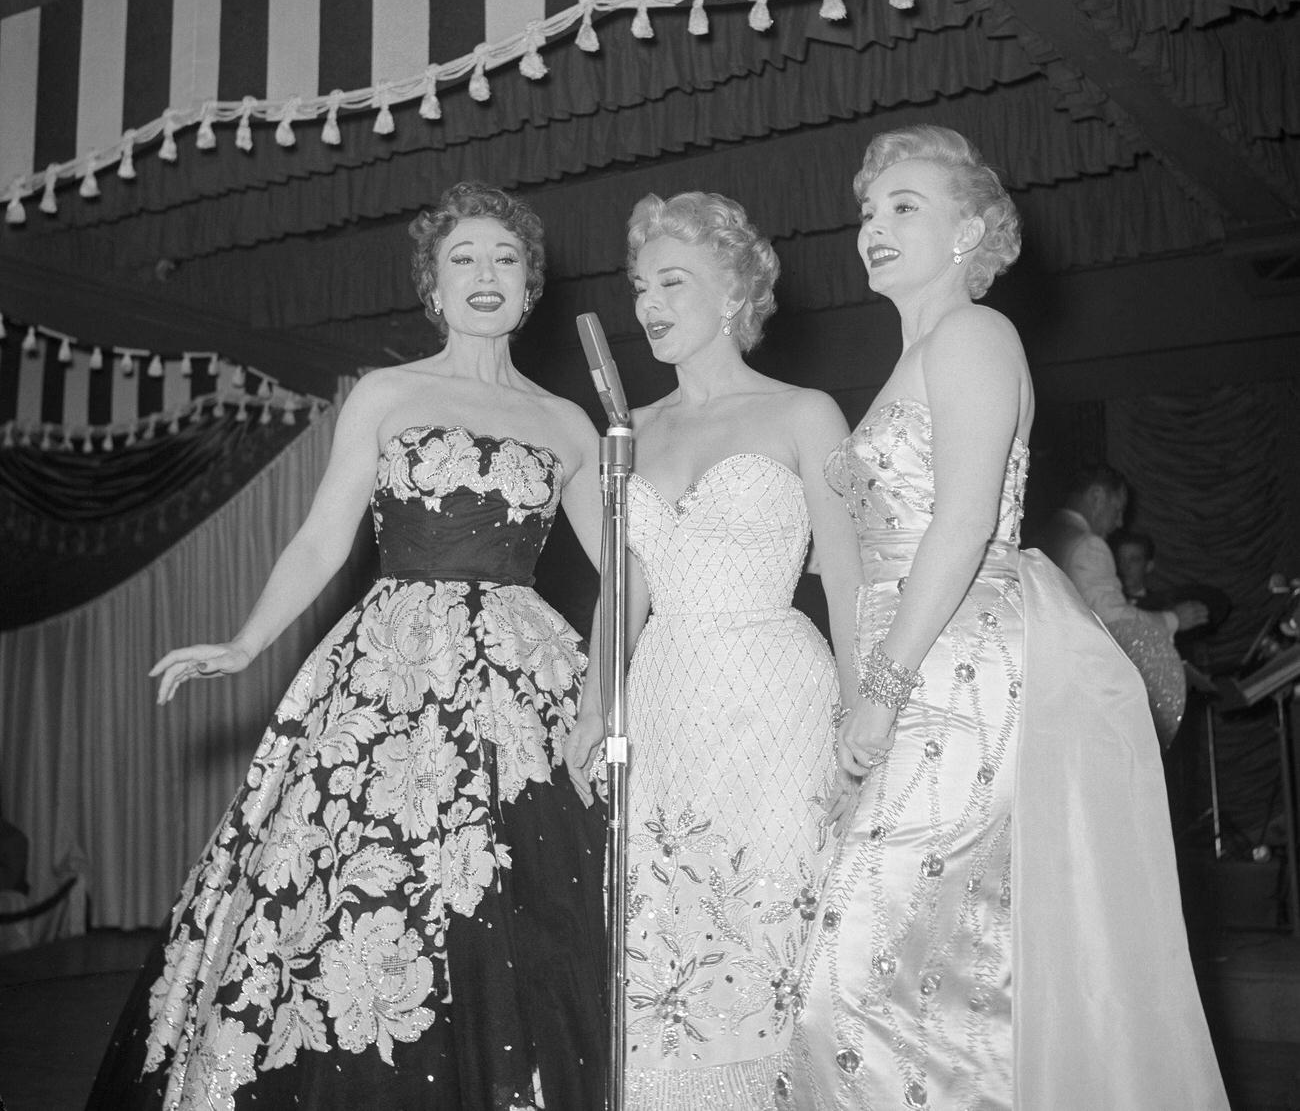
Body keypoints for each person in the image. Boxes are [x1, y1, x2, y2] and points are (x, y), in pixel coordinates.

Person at [88, 182, 608, 1110]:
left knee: (535, 898)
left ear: (531, 288)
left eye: (506, 260)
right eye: (464, 259)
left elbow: (627, 573)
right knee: (355, 897)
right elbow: (324, 538)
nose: (485, 276)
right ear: (433, 287)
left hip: (526, 683)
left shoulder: (572, 424)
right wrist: (246, 644)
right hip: (389, 666)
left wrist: (626, 680)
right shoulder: (388, 392)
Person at [785, 127, 1226, 1109]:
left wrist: (884, 690)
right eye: (867, 210)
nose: (874, 227)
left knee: (851, 982)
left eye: (905, 205)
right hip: (910, 663)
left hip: (954, 669)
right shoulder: (915, 358)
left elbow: (962, 525)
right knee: (928, 978)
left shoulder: (975, 334)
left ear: (970, 229)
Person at [563, 191, 862, 1110]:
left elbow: (851, 583)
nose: (647, 303)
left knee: (773, 927)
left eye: (673, 281)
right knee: (662, 933)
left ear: (735, 291)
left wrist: (865, 717)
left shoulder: (807, 414)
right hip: (662, 696)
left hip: (776, 701)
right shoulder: (632, 432)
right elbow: (625, 590)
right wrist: (590, 708)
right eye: (640, 284)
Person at [1041, 466, 1207, 747]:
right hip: (1080, 692)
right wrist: (1173, 619)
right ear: (1096, 496)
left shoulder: (1045, 533)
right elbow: (1115, 620)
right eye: (1117, 510)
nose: (1119, 522)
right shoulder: (1088, 544)